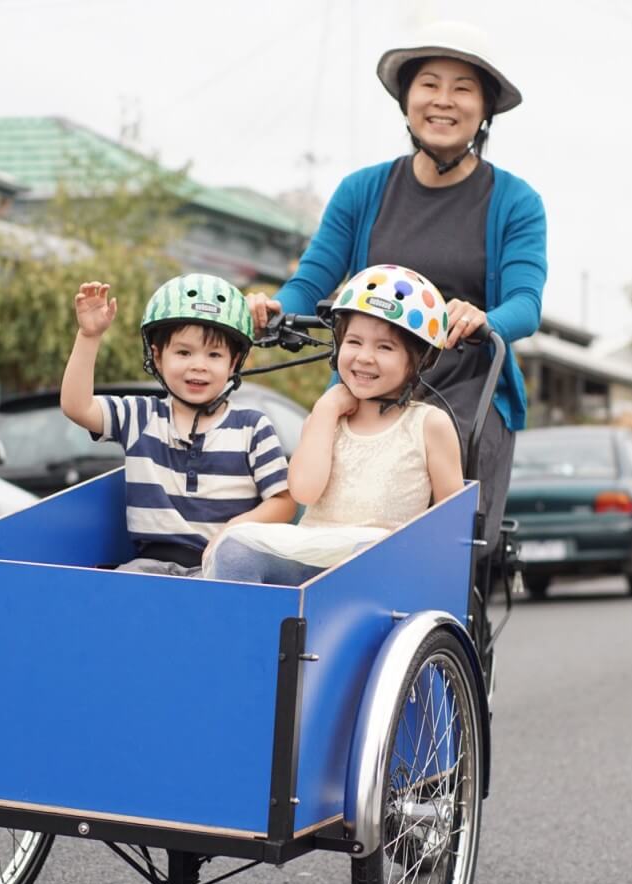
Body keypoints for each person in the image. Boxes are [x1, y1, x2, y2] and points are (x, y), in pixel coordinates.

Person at [246, 20, 547, 560]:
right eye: (429, 84)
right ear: (407, 98)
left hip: (466, 389)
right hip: (366, 379)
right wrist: (272, 309)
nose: (443, 101)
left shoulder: (515, 201)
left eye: (462, 88)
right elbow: (313, 280)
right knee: (318, 522)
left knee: (448, 550)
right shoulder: (363, 190)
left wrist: (485, 319)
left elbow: (526, 303)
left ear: (484, 109)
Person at [204, 266, 463, 585]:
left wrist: (406, 542)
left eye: (385, 347)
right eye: (354, 341)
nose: (365, 357)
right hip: (312, 553)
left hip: (380, 563)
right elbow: (304, 491)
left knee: (369, 550)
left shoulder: (428, 424)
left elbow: (452, 522)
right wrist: (327, 408)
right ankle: (240, 631)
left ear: (420, 359)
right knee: (235, 548)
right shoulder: (327, 416)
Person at [61, 274, 296, 576]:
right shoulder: (140, 416)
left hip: (224, 566)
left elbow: (284, 501)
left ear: (234, 363)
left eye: (214, 355)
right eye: (184, 352)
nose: (198, 364)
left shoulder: (252, 427)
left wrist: (234, 531)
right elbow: (76, 406)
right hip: (151, 566)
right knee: (115, 593)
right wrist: (89, 336)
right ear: (158, 358)